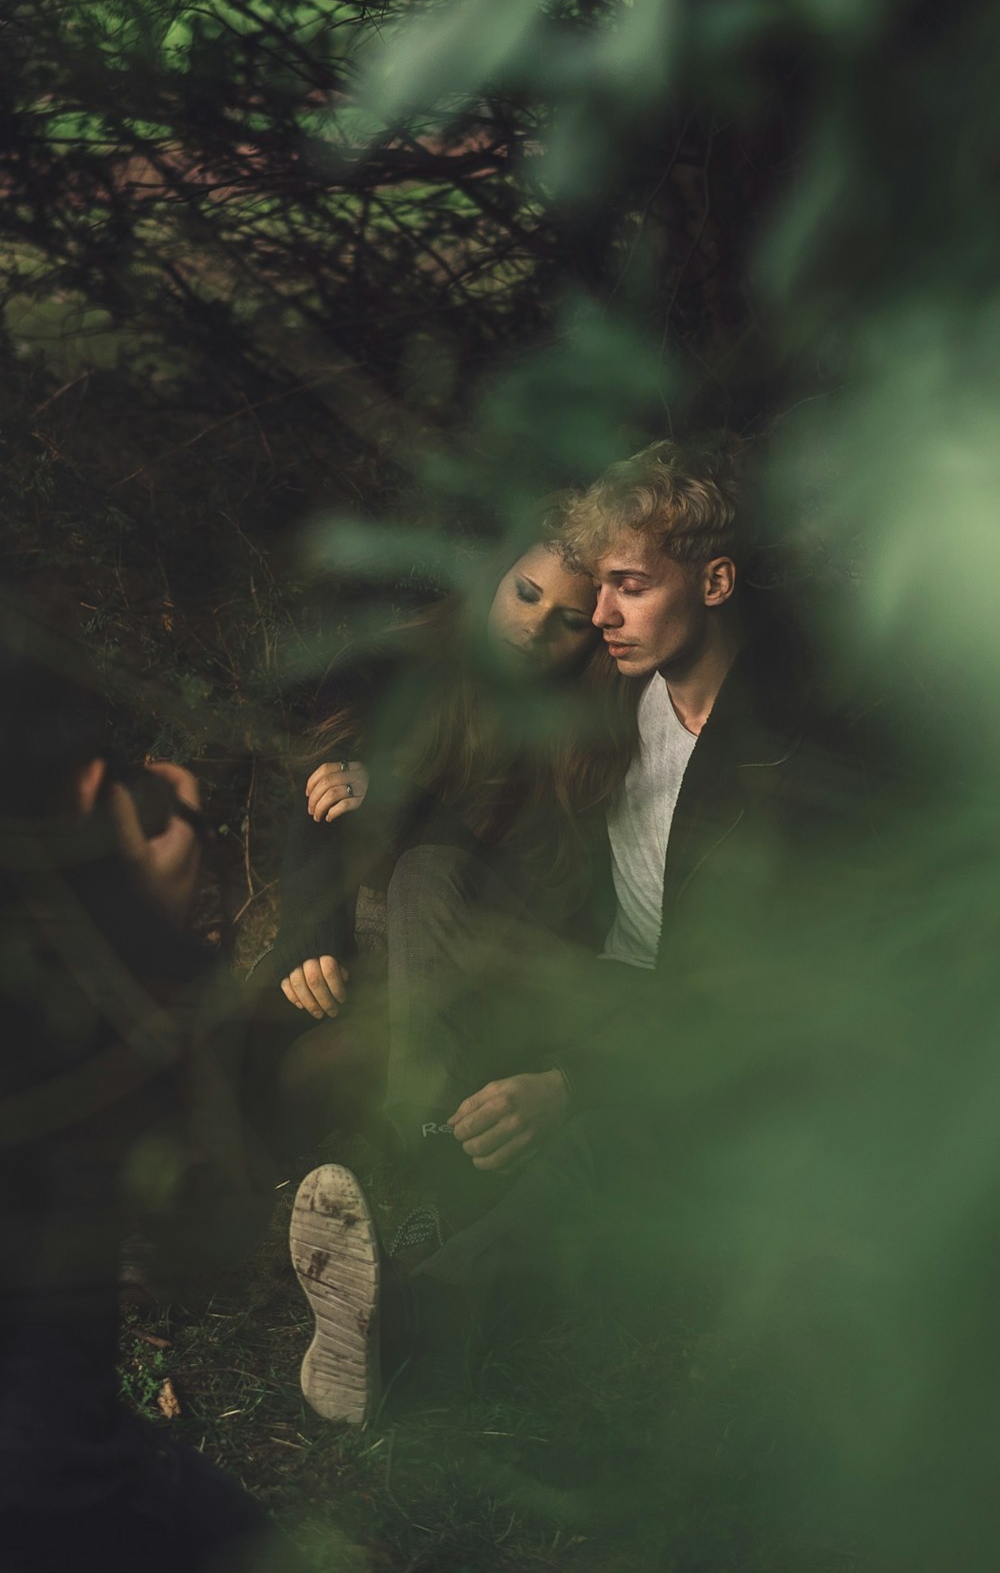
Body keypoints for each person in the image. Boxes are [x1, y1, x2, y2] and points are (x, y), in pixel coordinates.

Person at [286, 437, 880, 1436]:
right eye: (597, 587)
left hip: (717, 1038)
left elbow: (767, 1003)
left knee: (596, 1150)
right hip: (596, 982)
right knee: (433, 876)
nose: (598, 615)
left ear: (718, 581)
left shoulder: (788, 758)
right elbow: (478, 739)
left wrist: (573, 1082)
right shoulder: (621, 689)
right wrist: (376, 790)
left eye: (631, 586)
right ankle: (425, 1184)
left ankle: (410, 1318)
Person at [0, 594, 300, 1573]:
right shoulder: (112, 987)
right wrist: (155, 924)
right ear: (88, 789)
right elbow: (214, 1229)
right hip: (47, 1481)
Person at [251, 498, 633, 1169]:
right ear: (495, 575)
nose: (534, 627)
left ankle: (419, 1148)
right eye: (525, 594)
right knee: (282, 1045)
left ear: (593, 633)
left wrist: (400, 804)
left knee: (424, 871)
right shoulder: (396, 663)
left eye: (569, 622)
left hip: (492, 960)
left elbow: (535, 887)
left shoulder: (578, 734)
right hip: (381, 938)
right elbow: (320, 786)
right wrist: (306, 937)